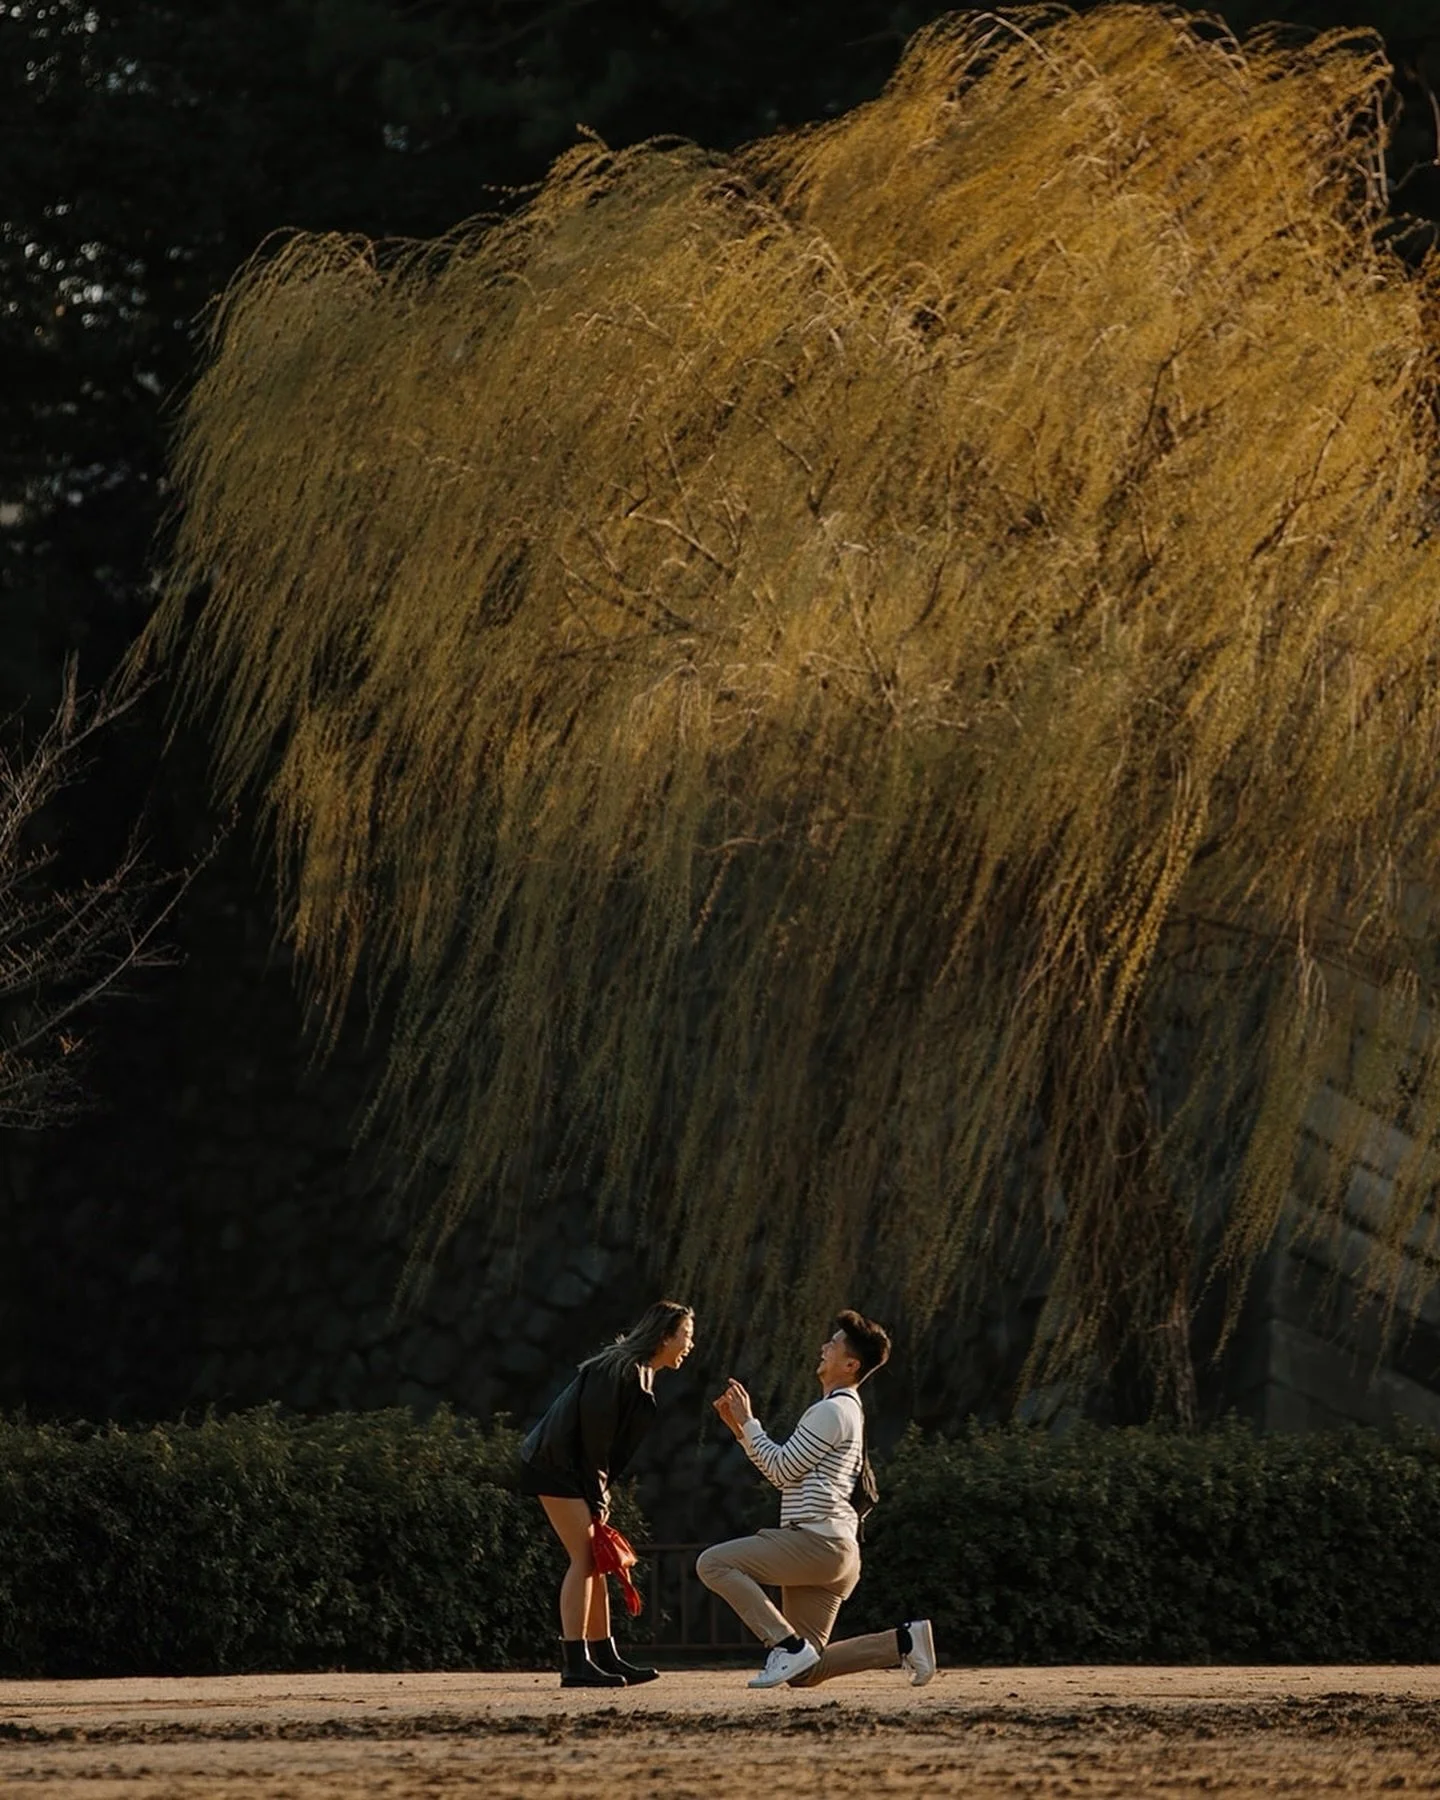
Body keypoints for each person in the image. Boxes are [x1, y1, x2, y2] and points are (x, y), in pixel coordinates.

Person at [697, 1309, 936, 1690]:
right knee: (806, 1672)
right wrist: (743, 1432)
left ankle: (787, 1646)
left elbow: (780, 1471)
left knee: (712, 1564)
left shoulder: (832, 1410)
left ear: (851, 1364)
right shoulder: (846, 1410)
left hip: (815, 1543)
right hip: (834, 1552)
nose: (825, 1347)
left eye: (834, 1344)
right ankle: (904, 1642)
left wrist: (749, 1424)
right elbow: (786, 1471)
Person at [519, 1298, 695, 1687]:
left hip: (572, 1469)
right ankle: (575, 1664)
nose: (689, 1344)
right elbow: (594, 1443)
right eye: (685, 1335)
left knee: (595, 1560)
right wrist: (598, 1498)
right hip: (554, 1466)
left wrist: (599, 1494)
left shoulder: (639, 1372)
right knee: (583, 1559)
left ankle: (604, 1655)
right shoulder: (618, 1371)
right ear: (664, 1337)